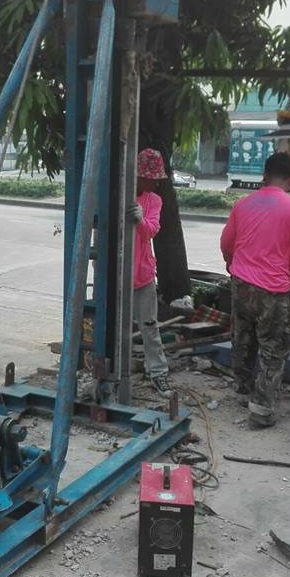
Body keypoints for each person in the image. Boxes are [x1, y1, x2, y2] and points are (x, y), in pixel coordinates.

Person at [220, 151, 290, 428]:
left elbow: (227, 242)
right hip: (273, 288)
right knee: (274, 348)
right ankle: (261, 409)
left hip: (241, 283)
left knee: (243, 338)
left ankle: (242, 390)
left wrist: (232, 264)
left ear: (264, 174)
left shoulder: (243, 204)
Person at [131, 148, 171, 396]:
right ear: (139, 176)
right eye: (151, 179)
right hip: (117, 273)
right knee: (114, 327)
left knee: (149, 326)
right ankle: (113, 371)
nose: (155, 183)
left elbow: (152, 230)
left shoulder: (153, 200)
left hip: (143, 273)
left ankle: (158, 372)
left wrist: (140, 220)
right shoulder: (118, 195)